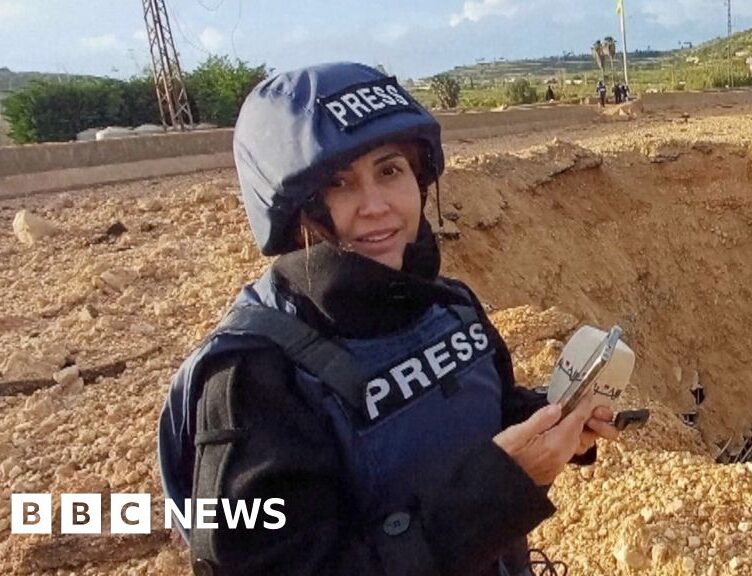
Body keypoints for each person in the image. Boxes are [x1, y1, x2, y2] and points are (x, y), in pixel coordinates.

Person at [157, 62, 619, 576]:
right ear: (294, 209)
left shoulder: (450, 307)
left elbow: (482, 409)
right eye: (339, 182)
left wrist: (554, 421)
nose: (376, 205)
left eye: (390, 170)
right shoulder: (257, 378)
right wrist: (494, 493)